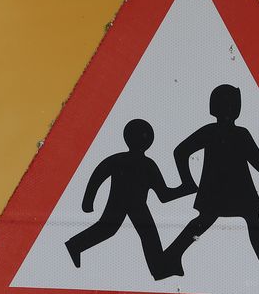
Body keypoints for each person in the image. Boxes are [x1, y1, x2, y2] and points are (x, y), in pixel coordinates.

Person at [161, 84, 259, 280]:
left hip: (224, 190)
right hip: (234, 190)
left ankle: (171, 256)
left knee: (214, 221)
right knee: (235, 221)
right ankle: (171, 256)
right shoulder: (238, 133)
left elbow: (180, 152)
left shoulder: (216, 131)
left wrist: (187, 182)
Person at [65, 118, 186, 279]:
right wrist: (88, 201)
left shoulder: (128, 161)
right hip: (125, 203)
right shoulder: (144, 163)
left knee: (138, 234)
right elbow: (99, 175)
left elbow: (163, 195)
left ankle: (158, 269)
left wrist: (88, 201)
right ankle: (74, 245)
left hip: (133, 205)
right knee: (113, 230)